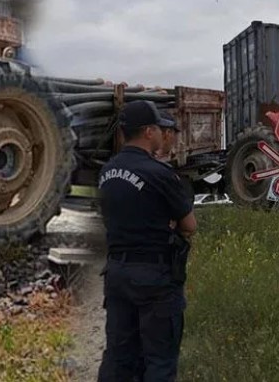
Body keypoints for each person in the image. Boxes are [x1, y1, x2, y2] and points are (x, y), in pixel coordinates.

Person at [97, 100, 197, 382]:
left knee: (119, 357)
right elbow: (190, 226)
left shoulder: (107, 172)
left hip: (116, 274)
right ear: (149, 131)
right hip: (155, 278)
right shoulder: (160, 174)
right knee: (159, 361)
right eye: (157, 128)